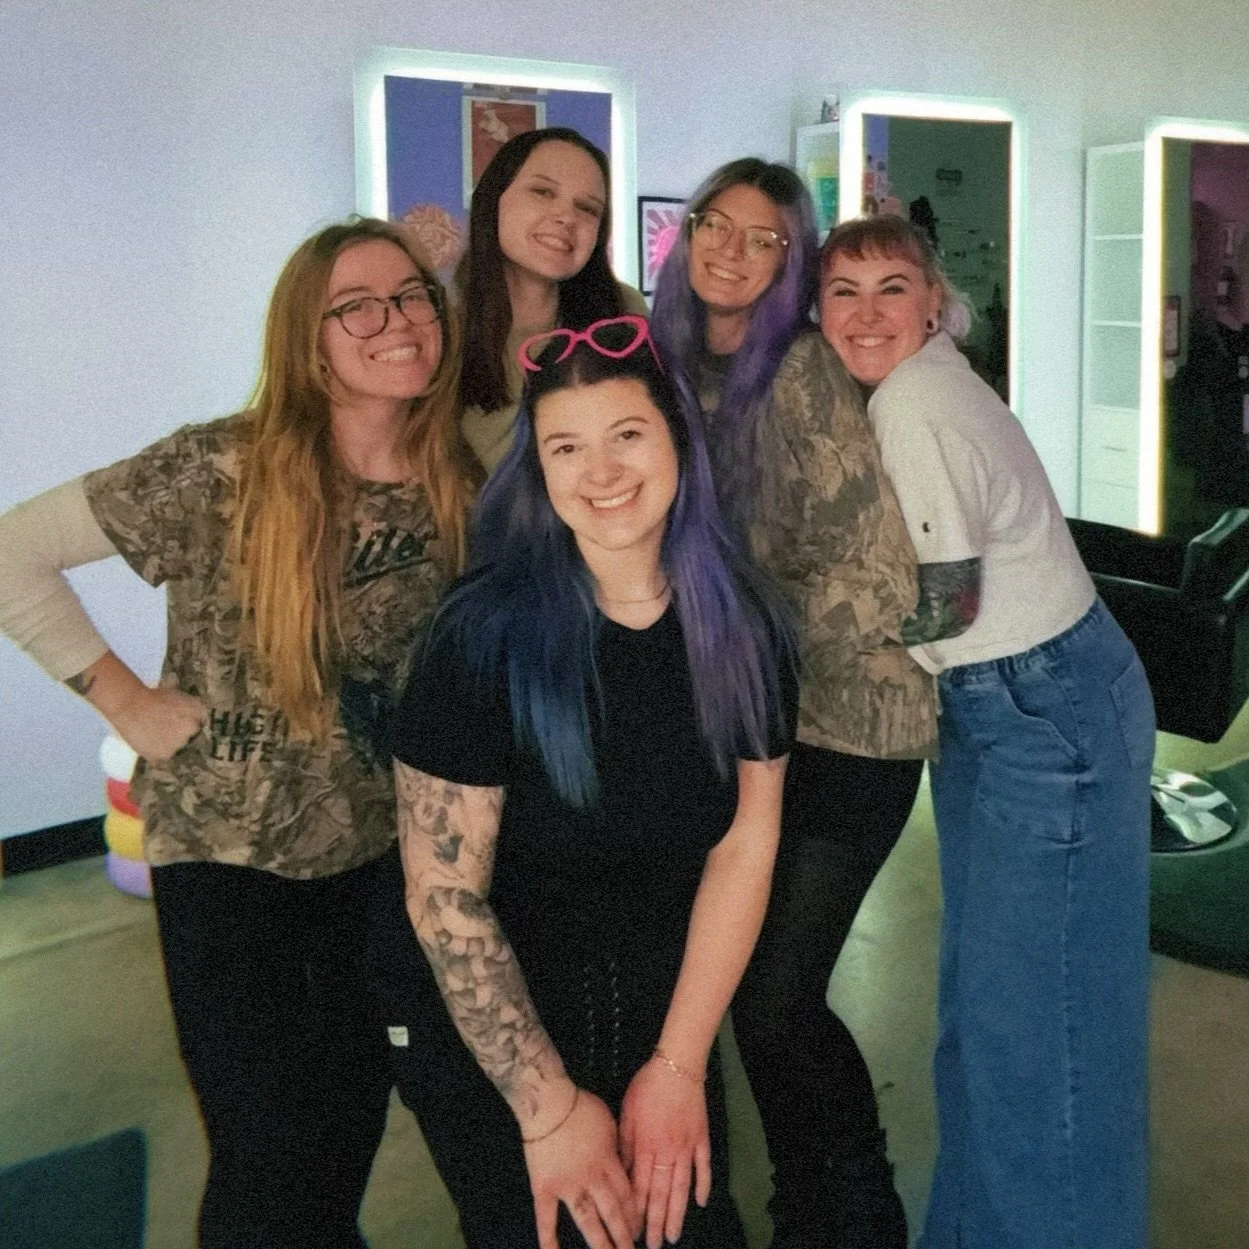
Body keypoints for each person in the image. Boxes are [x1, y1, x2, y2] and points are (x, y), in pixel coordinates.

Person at [0, 217, 477, 1249]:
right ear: (308, 339)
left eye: (412, 297)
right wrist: (122, 700)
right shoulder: (221, 466)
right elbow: (12, 554)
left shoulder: (454, 472)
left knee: (348, 1126)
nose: (395, 320)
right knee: (267, 1158)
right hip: (230, 860)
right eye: (358, 304)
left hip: (377, 856)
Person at [379, 316, 797, 1249]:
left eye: (627, 435)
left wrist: (680, 1063)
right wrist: (548, 1109)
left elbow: (744, 840)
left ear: (677, 440)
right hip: (491, 1028)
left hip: (658, 1010)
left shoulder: (745, 624)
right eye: (566, 446)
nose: (600, 471)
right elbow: (444, 896)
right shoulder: (479, 636)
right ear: (539, 468)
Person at [819, 212, 1154, 1249]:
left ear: (932, 300)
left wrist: (819, 642)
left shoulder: (912, 406)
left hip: (1036, 707)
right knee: (988, 1016)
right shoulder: (924, 383)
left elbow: (948, 602)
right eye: (843, 291)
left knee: (1038, 1040)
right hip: (1017, 700)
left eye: (890, 286)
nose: (867, 311)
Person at [651, 159, 938, 1249]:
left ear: (791, 261)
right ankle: (804, 1207)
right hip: (751, 728)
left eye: (762, 236)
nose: (729, 248)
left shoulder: (806, 374)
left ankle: (858, 1213)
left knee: (774, 992)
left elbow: (880, 578)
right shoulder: (673, 362)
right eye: (713, 224)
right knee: (741, 994)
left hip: (854, 723)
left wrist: (723, 631)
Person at [456, 126, 648, 473]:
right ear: (494, 199)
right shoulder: (439, 321)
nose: (566, 217)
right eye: (543, 191)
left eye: (587, 208)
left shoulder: (622, 314)